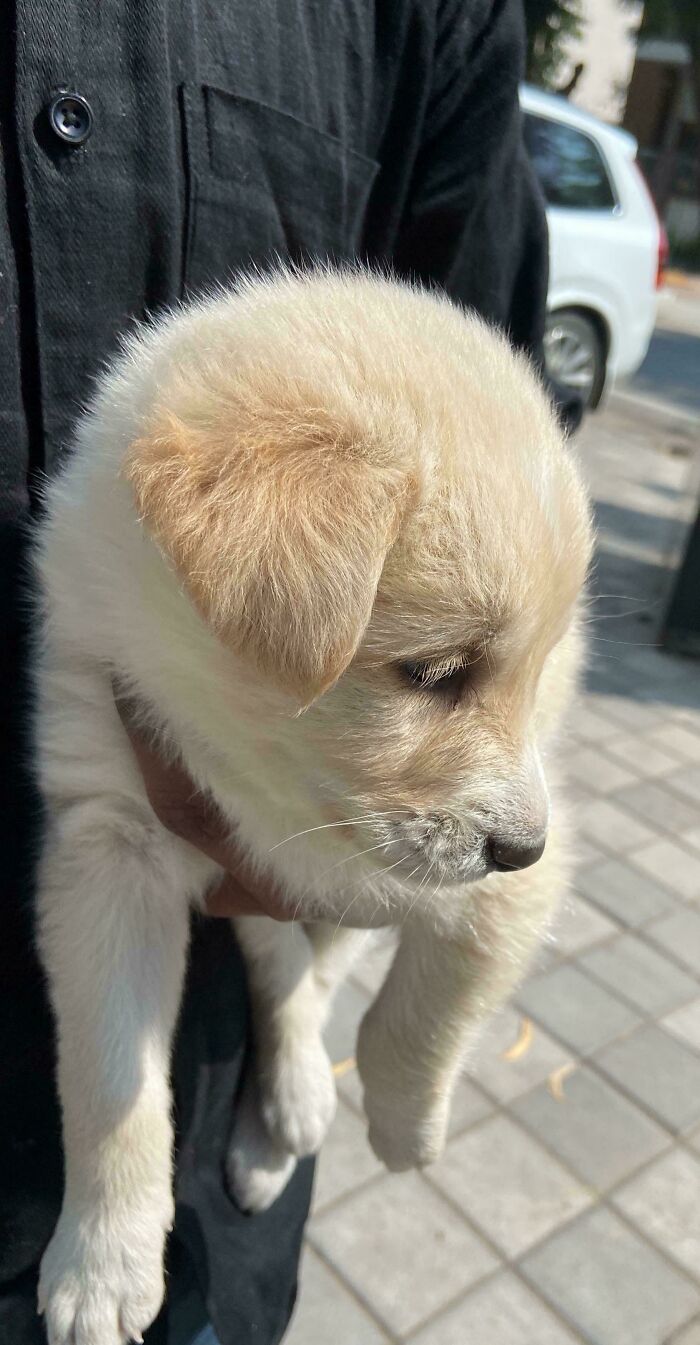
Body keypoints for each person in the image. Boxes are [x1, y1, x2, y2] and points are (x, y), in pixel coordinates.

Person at [0, 3, 560, 1342]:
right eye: (435, 671)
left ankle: (294, 1022)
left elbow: (504, 403)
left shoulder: (418, 21)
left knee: (313, 926)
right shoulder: (182, 527)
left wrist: (395, 1066)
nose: (521, 808)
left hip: (211, 1148)